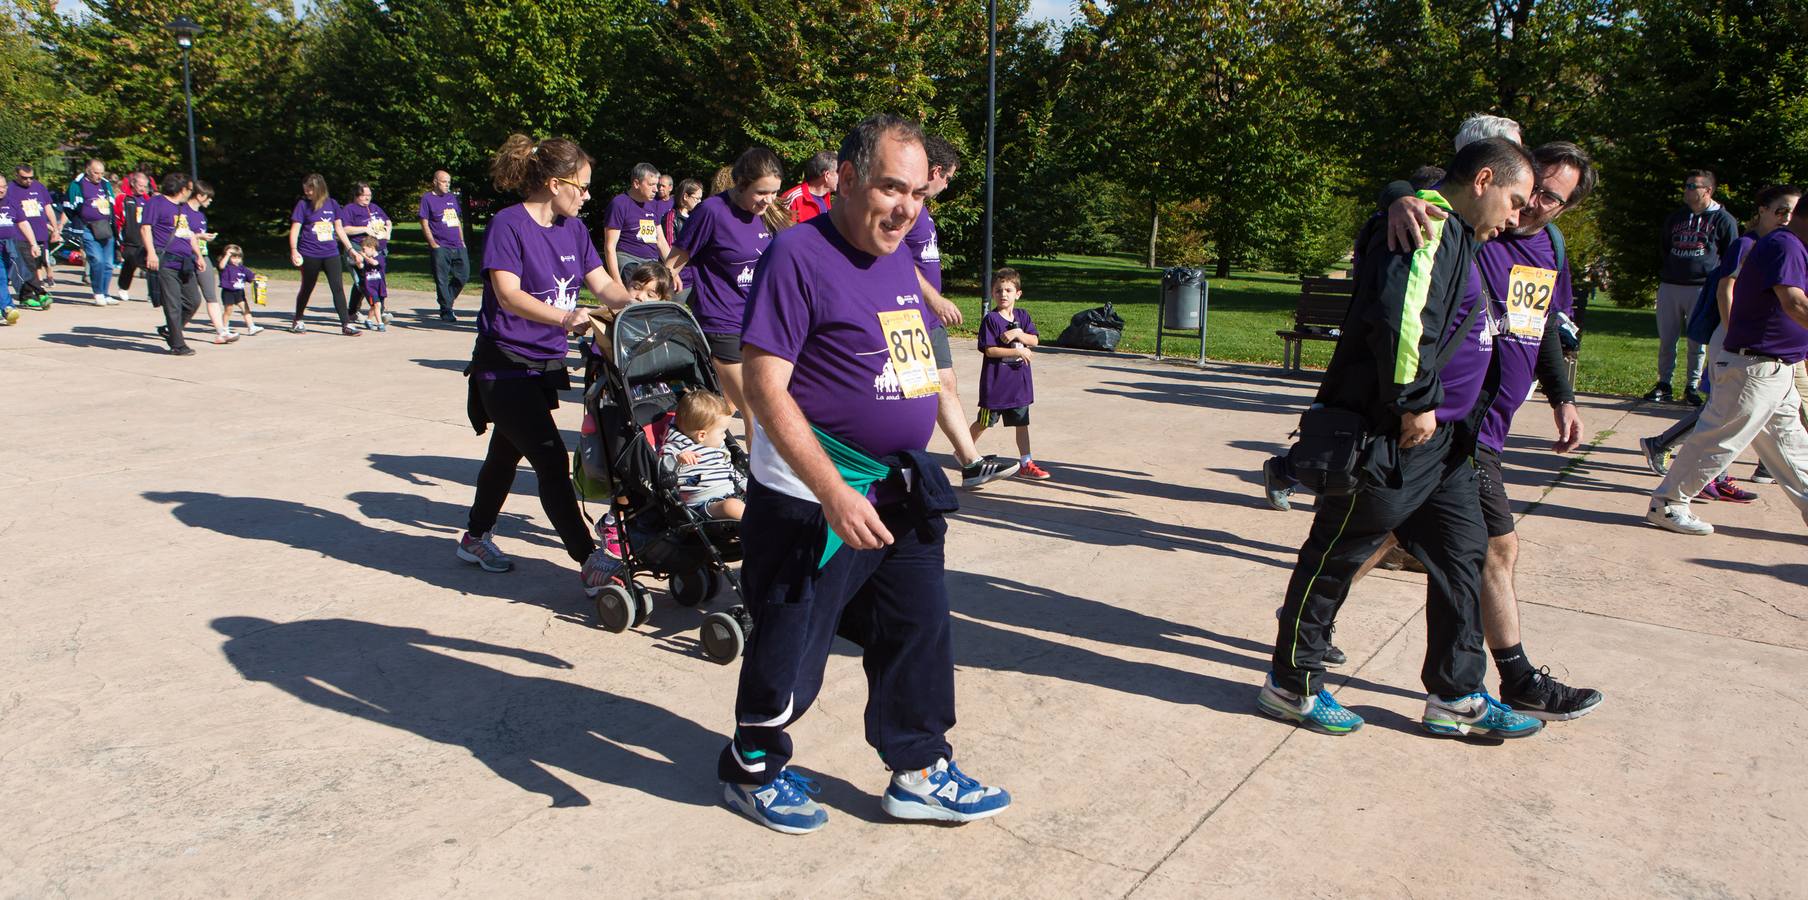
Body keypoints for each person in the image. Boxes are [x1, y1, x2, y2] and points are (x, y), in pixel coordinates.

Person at [719, 114, 1011, 835]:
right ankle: (752, 767)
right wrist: (832, 490)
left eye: (916, 192)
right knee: (793, 638)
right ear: (846, 180)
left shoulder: (898, 254)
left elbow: (907, 359)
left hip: (899, 486)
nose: (906, 206)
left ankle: (917, 767)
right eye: (889, 187)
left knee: (917, 625)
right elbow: (764, 384)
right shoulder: (797, 255)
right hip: (814, 497)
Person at [1257, 137, 1546, 740]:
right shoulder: (1430, 226)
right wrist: (1415, 402)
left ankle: (1457, 695)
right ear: (1485, 180)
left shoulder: (1459, 231)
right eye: (1516, 201)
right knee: (1337, 553)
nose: (1518, 217)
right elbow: (1403, 317)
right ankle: (1292, 685)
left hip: (1446, 447)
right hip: (1393, 434)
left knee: (1461, 559)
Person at [1370, 141, 1605, 719]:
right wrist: (1398, 198)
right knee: (1492, 547)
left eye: (1554, 198)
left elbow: (1542, 323)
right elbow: (1419, 190)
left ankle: (1304, 629)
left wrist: (1563, 398)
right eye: (1535, 188)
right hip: (1451, 418)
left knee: (1385, 532)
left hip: (1491, 427)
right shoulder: (1472, 224)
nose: (1535, 205)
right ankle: (1512, 678)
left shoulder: (1548, 245)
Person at [453, 133, 631, 592]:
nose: (588, 196)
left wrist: (637, 308)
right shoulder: (507, 225)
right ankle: (588, 559)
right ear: (555, 184)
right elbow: (507, 295)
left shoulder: (572, 230)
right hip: (503, 364)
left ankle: (474, 536)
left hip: (543, 365)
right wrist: (564, 316)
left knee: (506, 452)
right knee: (550, 459)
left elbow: (602, 284)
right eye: (583, 186)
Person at [1647, 202, 1808, 534]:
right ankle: (1668, 503)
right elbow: (1794, 302)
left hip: (1776, 368)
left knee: (1791, 445)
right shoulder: (1785, 246)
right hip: (1755, 367)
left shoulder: (1794, 247)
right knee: (1719, 440)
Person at [908, 134, 1018, 487]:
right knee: (916, 392)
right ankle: (906, 464)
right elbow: (893, 258)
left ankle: (970, 462)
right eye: (949, 177)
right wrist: (935, 299)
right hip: (907, 316)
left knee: (946, 384)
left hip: (929, 320)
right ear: (936, 171)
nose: (948, 184)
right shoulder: (906, 206)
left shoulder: (922, 209)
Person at [664, 147, 785, 445]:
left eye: (774, 192)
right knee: (755, 410)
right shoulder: (712, 212)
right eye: (762, 192)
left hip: (757, 324)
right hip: (721, 322)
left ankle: (708, 468)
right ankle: (759, 488)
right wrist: (666, 284)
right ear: (741, 183)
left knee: (723, 409)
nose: (768, 200)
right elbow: (672, 263)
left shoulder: (766, 214)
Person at [1648, 170, 1740, 405]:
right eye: (1686, 185)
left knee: (1696, 340)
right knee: (1667, 338)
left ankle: (1692, 386)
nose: (1687, 190)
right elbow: (1665, 247)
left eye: (1693, 186)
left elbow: (1731, 255)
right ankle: (1664, 383)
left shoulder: (1722, 220)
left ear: (1707, 191)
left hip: (1701, 287)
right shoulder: (1676, 218)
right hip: (1671, 284)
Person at [968, 267, 1047, 479]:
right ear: (992, 293)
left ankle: (1026, 462)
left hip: (1018, 385)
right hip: (996, 386)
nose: (1003, 294)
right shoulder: (991, 320)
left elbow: (1035, 340)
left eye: (1008, 290)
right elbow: (989, 349)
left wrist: (1020, 334)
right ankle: (964, 452)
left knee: (1022, 423)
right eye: (998, 290)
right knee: (984, 422)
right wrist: (1018, 350)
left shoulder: (1022, 316)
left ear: (1017, 294)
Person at [288, 173, 362, 336]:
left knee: (337, 288)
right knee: (307, 287)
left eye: (310, 190)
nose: (307, 193)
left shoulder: (332, 204)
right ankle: (298, 319)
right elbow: (295, 229)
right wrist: (294, 249)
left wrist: (350, 249)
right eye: (305, 190)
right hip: (310, 253)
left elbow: (339, 229)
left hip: (331, 253)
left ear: (319, 188)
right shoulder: (303, 205)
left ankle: (346, 324)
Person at [141, 173, 207, 356]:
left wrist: (198, 255)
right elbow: (145, 228)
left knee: (193, 300)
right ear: (181, 188)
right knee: (173, 304)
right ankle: (177, 344)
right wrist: (151, 253)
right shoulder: (156, 203)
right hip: (166, 259)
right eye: (189, 189)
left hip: (185, 261)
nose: (191, 192)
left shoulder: (183, 207)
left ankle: (170, 329)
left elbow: (190, 233)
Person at [661, 390, 748, 521]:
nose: (725, 436)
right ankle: (759, 527)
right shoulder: (677, 448)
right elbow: (661, 469)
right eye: (722, 432)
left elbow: (730, 469)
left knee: (763, 491)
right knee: (731, 506)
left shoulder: (718, 446)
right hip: (703, 504)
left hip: (732, 492)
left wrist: (746, 485)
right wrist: (677, 459)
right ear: (702, 435)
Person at [184, 181, 236, 345]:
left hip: (203, 256)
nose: (210, 201)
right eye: (209, 197)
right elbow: (180, 234)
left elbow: (198, 236)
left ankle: (221, 332)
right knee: (190, 300)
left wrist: (205, 237)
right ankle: (175, 327)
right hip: (186, 257)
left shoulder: (201, 215)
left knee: (211, 296)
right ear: (199, 196)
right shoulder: (182, 211)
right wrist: (198, 236)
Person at [602, 163, 670, 286]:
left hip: (651, 262)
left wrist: (673, 272)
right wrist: (617, 282)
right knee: (639, 285)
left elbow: (661, 241)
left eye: (656, 185)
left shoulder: (653, 205)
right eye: (651, 185)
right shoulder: (619, 204)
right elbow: (610, 246)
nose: (656, 189)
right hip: (628, 260)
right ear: (636, 184)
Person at [66, 159, 120, 306]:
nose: (99, 176)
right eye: (96, 173)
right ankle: (98, 292)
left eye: (101, 173)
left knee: (109, 263)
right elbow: (69, 207)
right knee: (97, 260)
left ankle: (106, 292)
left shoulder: (105, 184)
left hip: (105, 226)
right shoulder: (77, 184)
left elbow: (111, 204)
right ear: (88, 171)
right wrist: (79, 222)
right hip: (88, 227)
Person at [341, 182, 393, 327]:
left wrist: (388, 230)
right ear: (356, 195)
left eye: (369, 195)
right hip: (359, 249)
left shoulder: (375, 208)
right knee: (365, 281)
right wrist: (364, 229)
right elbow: (344, 229)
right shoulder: (349, 209)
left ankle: (352, 311)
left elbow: (388, 221)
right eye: (364, 195)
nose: (367, 198)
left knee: (376, 280)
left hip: (379, 251)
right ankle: (379, 311)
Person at [420, 170, 469, 322]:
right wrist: (433, 243)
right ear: (435, 182)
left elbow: (456, 220)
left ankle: (446, 302)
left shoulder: (452, 198)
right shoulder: (427, 199)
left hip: (457, 244)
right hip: (440, 245)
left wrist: (462, 241)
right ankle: (446, 310)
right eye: (444, 181)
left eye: (449, 182)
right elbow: (424, 222)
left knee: (463, 275)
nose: (447, 184)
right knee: (441, 279)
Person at [6, 164, 60, 299]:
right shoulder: (10, 189)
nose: (29, 181)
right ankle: (36, 294)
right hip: (20, 235)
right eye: (25, 178)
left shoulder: (39, 186)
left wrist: (55, 229)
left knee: (39, 264)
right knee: (29, 267)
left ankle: (27, 295)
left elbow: (48, 208)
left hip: (40, 233)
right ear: (16, 175)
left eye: (31, 177)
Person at [0, 177, 43, 313]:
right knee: (0, 276)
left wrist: (33, 244)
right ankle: (7, 308)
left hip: (10, 246)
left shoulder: (11, 203)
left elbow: (23, 223)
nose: (1, 190)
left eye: (4, 187)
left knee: (6, 276)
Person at [115, 172, 153, 303]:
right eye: (140, 185)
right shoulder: (123, 198)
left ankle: (152, 293)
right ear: (133, 184)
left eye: (145, 186)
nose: (142, 188)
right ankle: (123, 287)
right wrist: (118, 238)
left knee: (150, 265)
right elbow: (118, 218)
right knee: (131, 262)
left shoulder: (148, 200)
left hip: (144, 238)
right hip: (129, 239)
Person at [779, 150, 837, 224]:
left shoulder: (826, 196)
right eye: (838, 172)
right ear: (827, 175)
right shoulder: (793, 199)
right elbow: (782, 232)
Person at [217, 244, 262, 336]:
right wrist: (227, 255)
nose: (236, 259)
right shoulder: (226, 267)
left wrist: (258, 278)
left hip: (239, 292)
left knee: (246, 309)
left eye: (239, 257)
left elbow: (251, 277)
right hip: (228, 292)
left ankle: (251, 327)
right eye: (234, 257)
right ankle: (225, 329)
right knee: (228, 311)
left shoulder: (242, 268)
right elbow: (221, 266)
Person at [354, 236, 388, 332]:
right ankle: (380, 324)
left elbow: (374, 263)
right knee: (377, 304)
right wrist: (358, 261)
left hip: (379, 286)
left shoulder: (380, 257)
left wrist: (364, 256)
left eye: (364, 249)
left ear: (372, 248)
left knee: (374, 306)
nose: (363, 251)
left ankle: (368, 320)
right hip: (370, 287)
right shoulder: (366, 258)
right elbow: (361, 266)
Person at [664, 178, 703, 244]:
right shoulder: (671, 217)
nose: (700, 202)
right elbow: (669, 246)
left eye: (700, 198)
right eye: (697, 198)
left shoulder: (696, 217)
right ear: (686, 197)